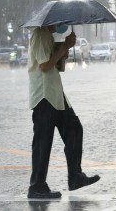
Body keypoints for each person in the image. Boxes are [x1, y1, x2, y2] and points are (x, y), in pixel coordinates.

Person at [27, 25, 100, 199]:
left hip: (56, 95)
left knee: (75, 129)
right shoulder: (39, 35)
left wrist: (63, 50)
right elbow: (45, 65)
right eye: (59, 22)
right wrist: (64, 47)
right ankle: (37, 186)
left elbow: (55, 65)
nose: (61, 25)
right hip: (44, 97)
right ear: (50, 21)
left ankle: (75, 177)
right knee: (43, 143)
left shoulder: (48, 36)